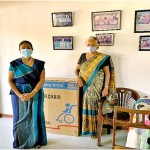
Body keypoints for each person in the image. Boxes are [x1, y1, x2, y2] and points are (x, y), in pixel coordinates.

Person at [74, 36, 116, 138]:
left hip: (97, 87)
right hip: (84, 86)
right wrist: (78, 78)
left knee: (95, 106)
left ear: (97, 46)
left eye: (93, 45)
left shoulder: (103, 58)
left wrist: (106, 87)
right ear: (85, 45)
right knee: (85, 105)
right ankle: (87, 129)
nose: (90, 46)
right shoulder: (83, 56)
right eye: (88, 44)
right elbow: (76, 70)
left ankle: (95, 131)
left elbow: (107, 73)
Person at [8, 40, 47, 149]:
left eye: (28, 47)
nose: (26, 49)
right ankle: (20, 141)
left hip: (36, 91)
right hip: (17, 93)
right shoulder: (14, 64)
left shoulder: (39, 64)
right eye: (23, 47)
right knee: (19, 117)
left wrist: (32, 93)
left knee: (36, 115)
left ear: (32, 49)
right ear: (19, 50)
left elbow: (42, 80)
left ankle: (37, 140)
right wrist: (19, 95)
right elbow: (10, 80)